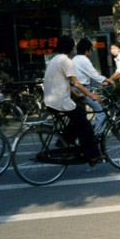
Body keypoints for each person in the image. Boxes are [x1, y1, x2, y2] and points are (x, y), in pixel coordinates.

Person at [43, 36, 104, 166]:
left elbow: (67, 83)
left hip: (50, 100)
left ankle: (64, 141)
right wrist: (92, 95)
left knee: (76, 118)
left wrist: (77, 95)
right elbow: (76, 83)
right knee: (85, 125)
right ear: (71, 48)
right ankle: (93, 155)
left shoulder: (54, 59)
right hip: (60, 101)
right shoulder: (66, 61)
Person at [72, 38, 109, 134]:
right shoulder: (84, 60)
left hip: (76, 88)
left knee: (81, 116)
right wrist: (106, 80)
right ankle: (98, 134)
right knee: (100, 111)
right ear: (87, 50)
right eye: (91, 50)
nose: (91, 52)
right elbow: (94, 75)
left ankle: (82, 138)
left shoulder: (74, 59)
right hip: (82, 89)